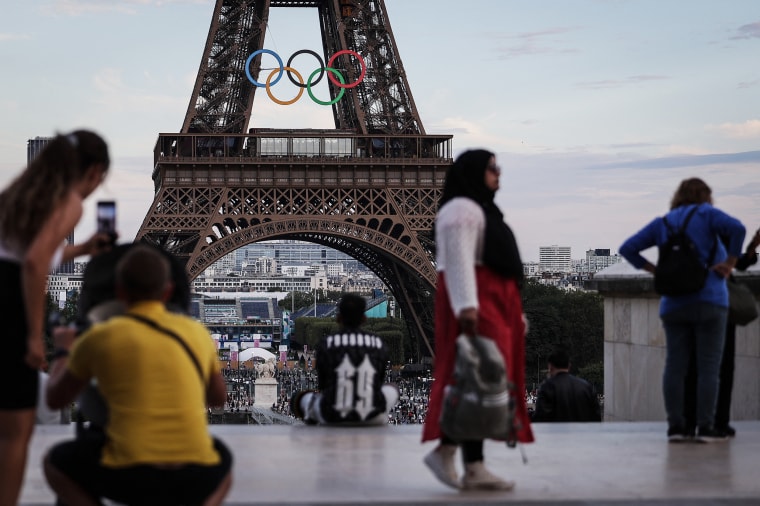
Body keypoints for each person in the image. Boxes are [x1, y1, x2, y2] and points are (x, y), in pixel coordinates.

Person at [43, 245, 232, 505]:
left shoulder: (99, 336)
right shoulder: (197, 333)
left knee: (55, 462)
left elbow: (55, 400)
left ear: (120, 291)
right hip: (191, 473)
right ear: (168, 291)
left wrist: (64, 351)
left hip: (128, 474)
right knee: (224, 464)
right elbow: (218, 399)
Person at [0, 130, 112, 506]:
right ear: (94, 171)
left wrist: (79, 249)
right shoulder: (69, 202)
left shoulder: (18, 196)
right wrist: (34, 336)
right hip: (9, 306)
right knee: (14, 433)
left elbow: (25, 253)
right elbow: (32, 264)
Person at [422, 149, 534, 491]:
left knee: (482, 382)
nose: (498, 173)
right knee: (479, 381)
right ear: (473, 172)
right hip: (478, 304)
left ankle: (467, 461)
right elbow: (458, 261)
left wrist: (514, 314)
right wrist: (468, 308)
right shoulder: (462, 209)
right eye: (491, 168)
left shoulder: (477, 208)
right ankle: (461, 458)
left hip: (491, 302)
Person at [619, 177, 745, 443]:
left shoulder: (663, 223)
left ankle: (676, 426)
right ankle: (706, 426)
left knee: (675, 366)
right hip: (710, 299)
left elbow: (627, 248)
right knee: (709, 367)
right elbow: (737, 229)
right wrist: (731, 261)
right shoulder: (707, 215)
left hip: (674, 303)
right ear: (705, 197)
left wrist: (655, 270)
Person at [684, 227, 760, 437]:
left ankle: (692, 423)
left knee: (696, 369)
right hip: (719, 309)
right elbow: (739, 263)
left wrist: (752, 247)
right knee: (722, 369)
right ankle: (717, 422)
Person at [290, 293, 399, 425]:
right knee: (393, 388)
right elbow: (378, 381)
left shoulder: (326, 344)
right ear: (364, 318)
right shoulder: (378, 343)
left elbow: (323, 385)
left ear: (338, 317)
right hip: (372, 415)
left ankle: (311, 416)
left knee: (300, 398)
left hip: (331, 415)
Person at [531, 347, 602, 422]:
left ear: (550, 366)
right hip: (582, 432)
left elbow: (540, 418)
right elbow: (596, 417)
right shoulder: (586, 387)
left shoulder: (547, 387)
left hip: (556, 432)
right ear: (569, 366)